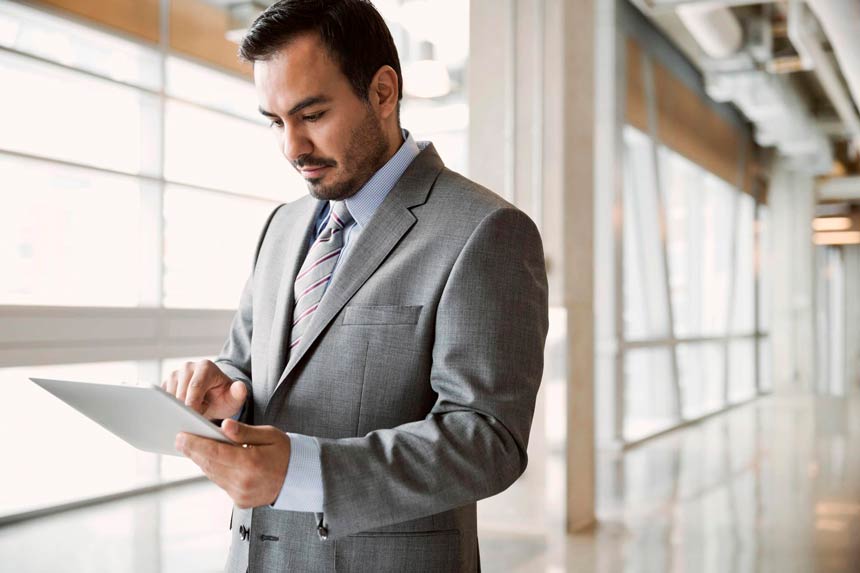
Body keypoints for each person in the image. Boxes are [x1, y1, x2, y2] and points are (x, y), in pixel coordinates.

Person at [162, 1, 548, 571]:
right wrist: (224, 387)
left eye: (312, 114)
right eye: (276, 121)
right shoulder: (283, 225)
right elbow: (249, 363)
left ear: (384, 91)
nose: (292, 147)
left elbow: (487, 439)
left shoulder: (485, 231)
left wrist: (305, 471)